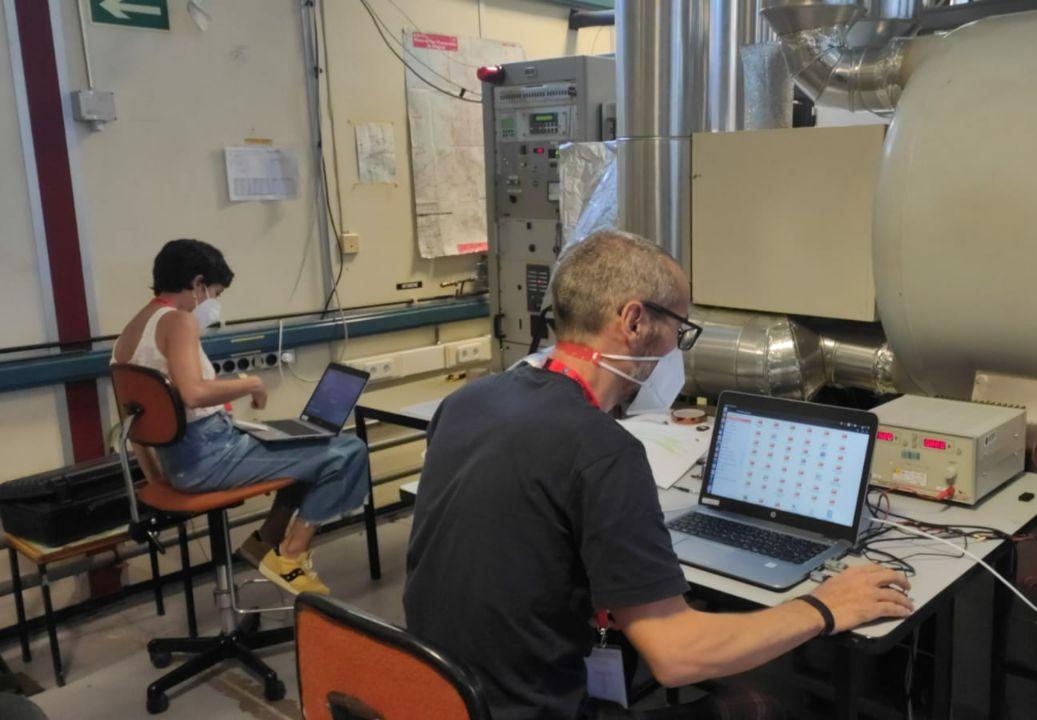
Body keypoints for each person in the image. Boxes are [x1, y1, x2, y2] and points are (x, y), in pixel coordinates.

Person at [403, 230, 913, 719]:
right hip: (527, 710)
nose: (676, 346)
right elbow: (676, 657)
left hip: (434, 694)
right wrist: (823, 607)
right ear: (634, 320)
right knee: (763, 704)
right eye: (679, 327)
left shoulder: (467, 402)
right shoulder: (601, 450)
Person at [112, 239, 369, 595]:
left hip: (179, 463)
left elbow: (133, 420)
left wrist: (158, 478)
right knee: (348, 450)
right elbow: (194, 393)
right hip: (209, 455)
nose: (214, 303)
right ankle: (290, 558)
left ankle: (265, 541)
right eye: (215, 292)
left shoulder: (130, 332)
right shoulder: (179, 321)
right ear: (198, 284)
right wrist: (251, 383)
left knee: (305, 449)